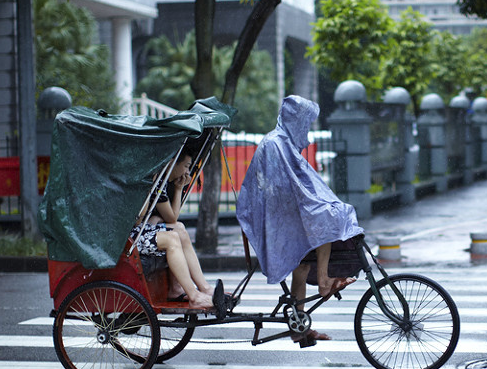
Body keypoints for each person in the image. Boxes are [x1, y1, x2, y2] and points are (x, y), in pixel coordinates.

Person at [236, 95, 364, 344]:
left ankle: (300, 329)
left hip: (281, 211)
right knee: (327, 219)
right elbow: (290, 184)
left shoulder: (282, 142)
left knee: (302, 267)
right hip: (273, 217)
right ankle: (325, 280)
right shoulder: (276, 143)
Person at [130, 145, 220, 311]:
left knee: (179, 229)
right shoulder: (151, 179)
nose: (187, 171)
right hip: (128, 237)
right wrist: (149, 191)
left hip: (140, 230)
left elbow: (173, 218)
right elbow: (140, 218)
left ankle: (201, 288)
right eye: (185, 166)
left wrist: (178, 189)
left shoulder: (160, 181)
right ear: (173, 162)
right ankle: (194, 296)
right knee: (172, 238)